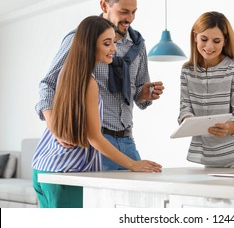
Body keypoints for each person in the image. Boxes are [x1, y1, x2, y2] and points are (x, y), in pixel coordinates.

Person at [32, 16, 162, 208]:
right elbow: (94, 137)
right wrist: (133, 164)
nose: (114, 49)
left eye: (113, 42)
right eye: (107, 43)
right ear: (89, 45)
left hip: (44, 168)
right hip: (67, 175)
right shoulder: (89, 83)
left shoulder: (68, 73)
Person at [35, 0, 164, 170]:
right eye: (124, 11)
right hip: (94, 141)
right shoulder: (80, 39)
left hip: (126, 140)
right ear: (104, 4)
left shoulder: (138, 45)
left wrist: (143, 94)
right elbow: (48, 84)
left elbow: (138, 94)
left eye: (134, 12)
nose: (130, 18)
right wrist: (57, 130)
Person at [178, 11, 234, 168]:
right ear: (195, 36)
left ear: (224, 42)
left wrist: (228, 127)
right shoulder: (187, 71)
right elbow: (184, 108)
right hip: (210, 157)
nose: (209, 46)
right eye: (204, 39)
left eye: (216, 41)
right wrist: (189, 121)